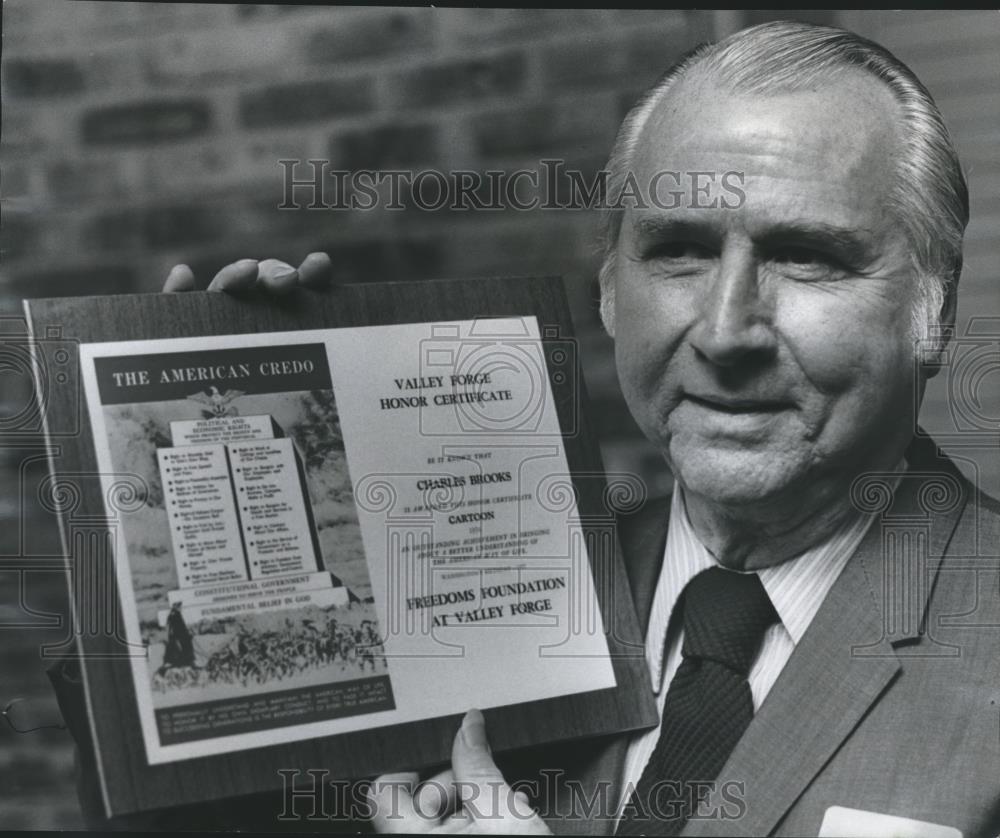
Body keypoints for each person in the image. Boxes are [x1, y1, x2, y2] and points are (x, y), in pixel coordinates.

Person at [47, 20, 999, 837]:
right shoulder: (476, 604)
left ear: (933, 310)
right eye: (677, 252)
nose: (723, 331)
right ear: (609, 292)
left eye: (807, 257)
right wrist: (181, 533)